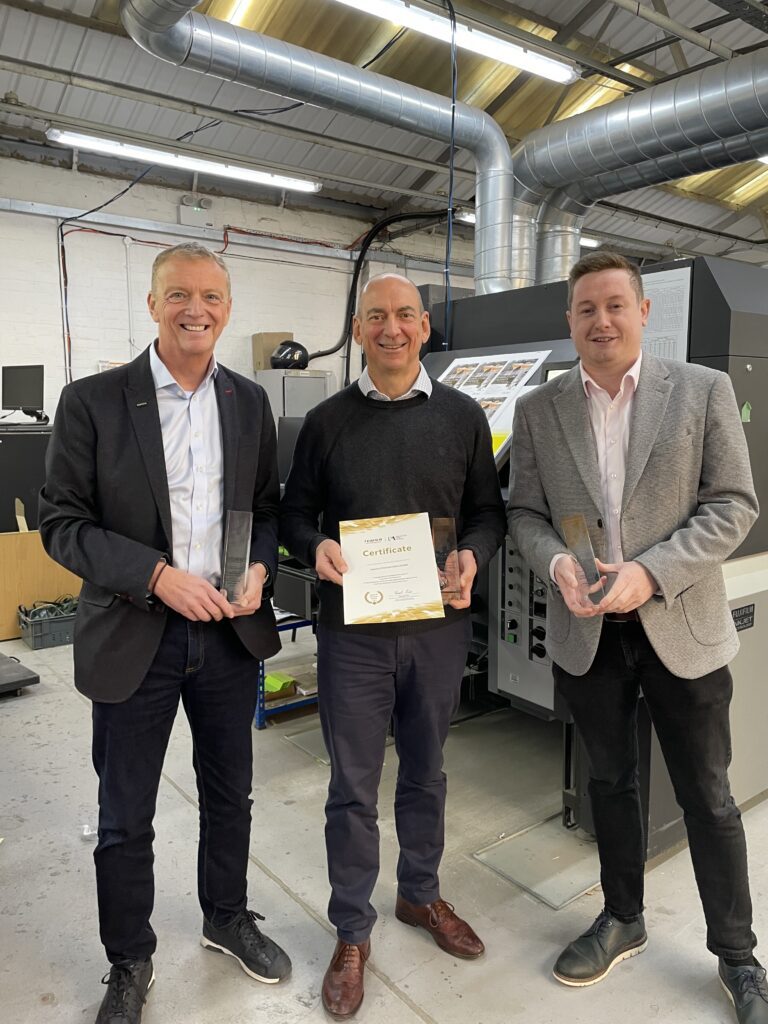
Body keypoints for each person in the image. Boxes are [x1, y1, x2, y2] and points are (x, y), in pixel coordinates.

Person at [507, 250, 766, 1024]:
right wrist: (555, 563)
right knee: (609, 785)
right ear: (570, 321)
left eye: (616, 305)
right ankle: (623, 916)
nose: (601, 321)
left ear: (645, 313)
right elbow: (523, 512)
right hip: (589, 633)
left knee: (709, 797)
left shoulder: (701, 390)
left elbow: (733, 504)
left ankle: (739, 956)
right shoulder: (539, 409)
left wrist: (650, 573)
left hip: (678, 622)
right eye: (587, 309)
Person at [39, 242, 291, 1024]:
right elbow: (62, 524)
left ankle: (226, 916)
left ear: (227, 307)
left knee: (230, 796)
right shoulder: (93, 401)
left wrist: (257, 571)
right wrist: (155, 575)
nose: (197, 309)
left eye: (212, 296)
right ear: (152, 305)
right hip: (133, 635)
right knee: (126, 815)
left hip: (225, 636)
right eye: (179, 294)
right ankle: (129, 959)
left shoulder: (248, 402)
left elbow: (267, 507)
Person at [280, 273, 505, 1019]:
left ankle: (420, 894)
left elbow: (486, 514)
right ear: (358, 328)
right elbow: (294, 514)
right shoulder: (325, 421)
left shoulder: (465, 416)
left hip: (437, 632)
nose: (392, 328)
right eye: (376, 316)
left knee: (428, 772)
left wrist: (473, 555)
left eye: (405, 315)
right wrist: (315, 548)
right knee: (351, 785)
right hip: (353, 635)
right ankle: (352, 930)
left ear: (425, 326)